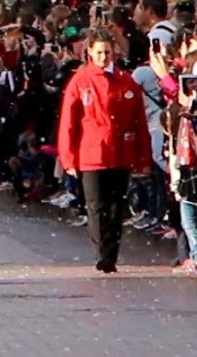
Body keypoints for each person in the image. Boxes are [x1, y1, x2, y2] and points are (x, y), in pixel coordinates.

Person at [56, 30, 152, 274]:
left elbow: (139, 122)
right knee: (95, 205)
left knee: (116, 206)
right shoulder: (80, 80)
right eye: (98, 52)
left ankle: (111, 253)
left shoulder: (126, 81)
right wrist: (67, 157)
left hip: (120, 152)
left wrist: (143, 157)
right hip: (91, 153)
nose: (103, 57)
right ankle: (102, 254)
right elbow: (69, 121)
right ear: (89, 53)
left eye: (107, 52)